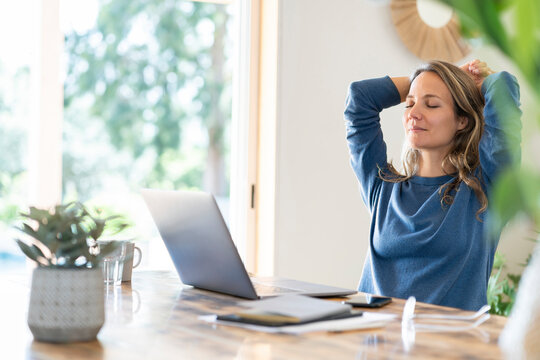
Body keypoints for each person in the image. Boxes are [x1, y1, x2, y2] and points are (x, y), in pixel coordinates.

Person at [344, 60, 522, 310]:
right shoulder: (381, 186)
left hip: (449, 345)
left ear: (462, 121)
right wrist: (430, 78)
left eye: (432, 104)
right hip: (375, 339)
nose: (414, 114)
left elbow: (504, 87)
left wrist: (455, 82)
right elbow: (359, 97)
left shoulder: (486, 189)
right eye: (410, 103)